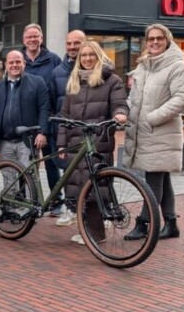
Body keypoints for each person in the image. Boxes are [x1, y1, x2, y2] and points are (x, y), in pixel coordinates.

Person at [123, 23, 184, 240]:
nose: (154, 42)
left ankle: (144, 223)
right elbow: (134, 97)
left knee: (153, 178)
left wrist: (153, 117)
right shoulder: (144, 66)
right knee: (162, 177)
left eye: (159, 38)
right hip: (144, 131)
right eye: (151, 38)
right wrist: (127, 111)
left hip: (160, 131)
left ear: (167, 40)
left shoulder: (177, 66)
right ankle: (171, 223)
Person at [55, 41, 129, 244]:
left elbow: (120, 104)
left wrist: (120, 115)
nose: (87, 59)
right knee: (77, 187)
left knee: (96, 187)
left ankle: (96, 234)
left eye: (91, 55)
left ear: (99, 56)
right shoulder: (75, 82)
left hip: (98, 141)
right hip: (75, 143)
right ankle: (86, 231)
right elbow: (65, 116)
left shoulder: (111, 81)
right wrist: (61, 143)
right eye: (83, 55)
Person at [0, 50, 50, 190]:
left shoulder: (37, 82)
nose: (14, 65)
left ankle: (32, 204)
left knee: (30, 179)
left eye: (18, 62)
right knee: (9, 180)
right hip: (5, 142)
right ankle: (10, 204)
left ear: (24, 63)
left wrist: (42, 132)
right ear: (6, 65)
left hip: (27, 141)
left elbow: (44, 108)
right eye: (11, 62)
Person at [22, 24, 63, 217]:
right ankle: (30, 200)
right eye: (29, 37)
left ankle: (56, 201)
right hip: (25, 120)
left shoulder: (53, 59)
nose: (32, 40)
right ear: (24, 40)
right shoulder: (18, 59)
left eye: (35, 36)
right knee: (27, 163)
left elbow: (59, 88)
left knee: (51, 162)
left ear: (41, 38)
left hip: (48, 119)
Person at [47, 30, 87, 226]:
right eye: (69, 43)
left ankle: (95, 212)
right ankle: (71, 209)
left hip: (89, 130)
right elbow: (53, 104)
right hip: (67, 130)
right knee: (68, 173)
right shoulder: (57, 72)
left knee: (91, 171)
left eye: (76, 43)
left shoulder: (97, 68)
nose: (72, 47)